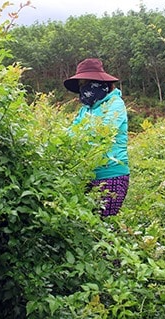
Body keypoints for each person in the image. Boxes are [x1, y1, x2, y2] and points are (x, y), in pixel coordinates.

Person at [64, 58, 130, 217]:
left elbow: (103, 132)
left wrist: (80, 136)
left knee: (103, 225)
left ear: (100, 83)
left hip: (111, 174)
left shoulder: (115, 104)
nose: (84, 89)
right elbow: (69, 135)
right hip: (85, 175)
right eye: (81, 85)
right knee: (85, 226)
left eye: (87, 83)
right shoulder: (85, 110)